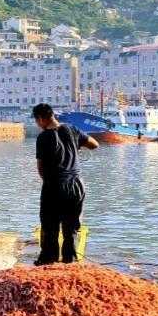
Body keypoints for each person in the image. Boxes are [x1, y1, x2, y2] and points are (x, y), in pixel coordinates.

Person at [32, 103, 98, 265]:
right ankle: (70, 264)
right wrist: (77, 147)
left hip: (54, 186)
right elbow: (94, 144)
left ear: (41, 119)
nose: (37, 124)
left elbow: (41, 169)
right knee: (71, 230)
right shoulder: (72, 129)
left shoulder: (43, 137)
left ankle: (49, 263)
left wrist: (50, 184)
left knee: (50, 229)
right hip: (76, 185)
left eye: (37, 121)